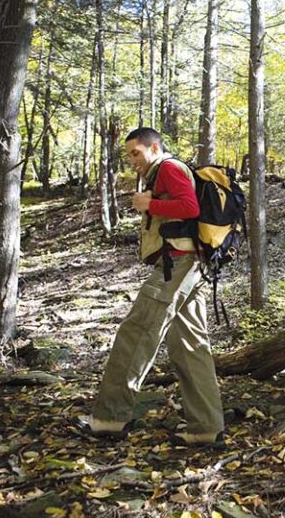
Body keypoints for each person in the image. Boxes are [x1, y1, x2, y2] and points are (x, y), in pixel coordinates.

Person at [73, 127, 224, 445]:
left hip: (177, 264)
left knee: (137, 332)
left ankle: (109, 418)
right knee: (190, 345)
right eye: (129, 154)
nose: (132, 160)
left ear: (154, 147)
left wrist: (149, 204)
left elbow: (189, 208)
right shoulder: (165, 169)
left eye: (135, 152)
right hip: (187, 265)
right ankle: (206, 427)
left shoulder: (168, 167)